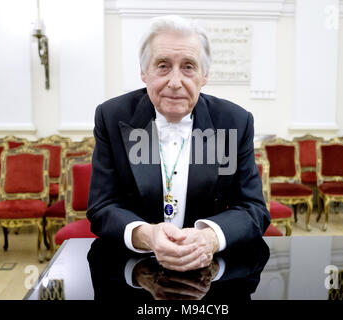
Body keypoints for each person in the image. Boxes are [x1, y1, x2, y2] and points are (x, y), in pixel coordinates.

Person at [87, 15, 270, 273]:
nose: (175, 82)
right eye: (163, 65)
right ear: (144, 72)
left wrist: (209, 238)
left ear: (204, 75)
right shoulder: (112, 116)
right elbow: (101, 207)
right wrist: (148, 235)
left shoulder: (234, 122)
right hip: (132, 271)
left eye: (188, 67)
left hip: (214, 272)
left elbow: (253, 209)